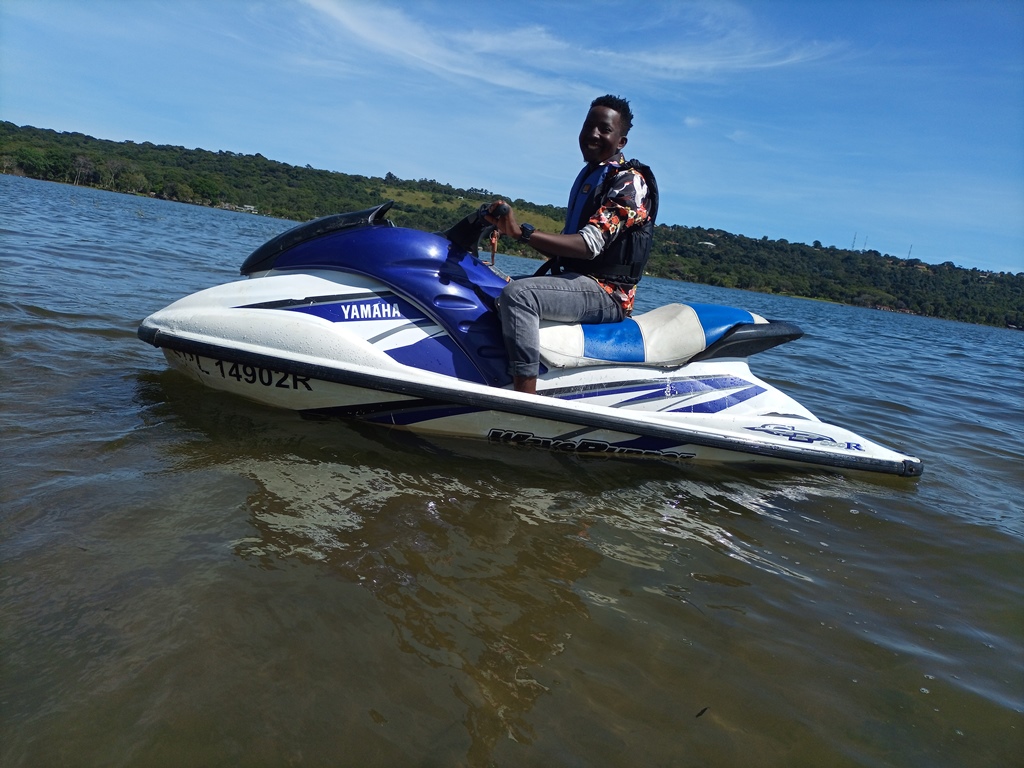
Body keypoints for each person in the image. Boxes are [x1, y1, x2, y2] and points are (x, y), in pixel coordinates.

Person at [486, 94, 657, 394]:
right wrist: (510, 231)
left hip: (608, 294)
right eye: (588, 126)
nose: (593, 134)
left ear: (621, 142)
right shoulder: (593, 177)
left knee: (519, 296)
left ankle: (523, 399)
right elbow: (563, 249)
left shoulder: (630, 183)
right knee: (487, 281)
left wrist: (523, 233)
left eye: (604, 130)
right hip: (575, 280)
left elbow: (589, 245)